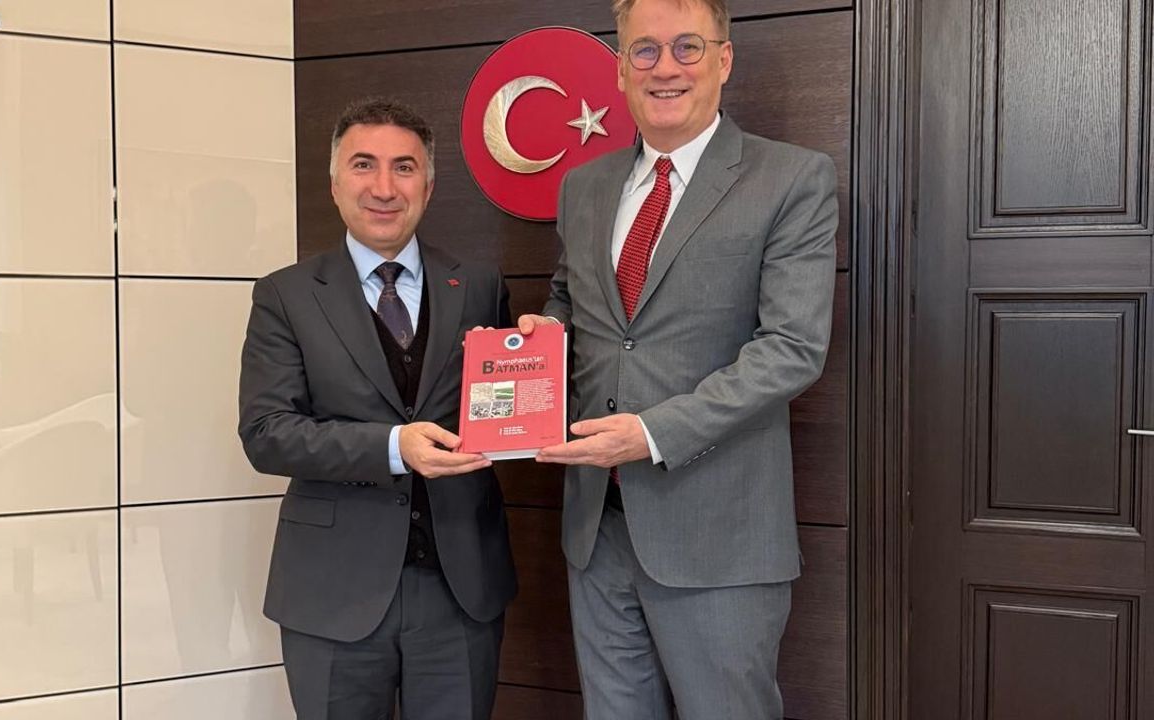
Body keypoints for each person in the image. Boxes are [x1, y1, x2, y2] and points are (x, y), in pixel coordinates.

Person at [519, 0, 839, 717]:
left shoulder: (791, 179)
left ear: (724, 59)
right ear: (620, 70)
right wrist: (541, 335)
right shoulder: (584, 187)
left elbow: (791, 349)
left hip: (718, 534)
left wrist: (652, 433)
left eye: (687, 47)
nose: (665, 67)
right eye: (645, 50)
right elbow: (571, 299)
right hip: (596, 530)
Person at [239, 98, 517, 720]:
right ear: (335, 184)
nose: (384, 188)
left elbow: (501, 411)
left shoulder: (478, 285)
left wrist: (536, 354)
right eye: (363, 165)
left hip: (459, 588)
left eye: (405, 167)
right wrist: (395, 447)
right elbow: (266, 433)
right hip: (332, 592)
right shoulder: (285, 296)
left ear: (429, 185)